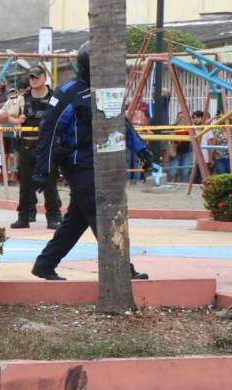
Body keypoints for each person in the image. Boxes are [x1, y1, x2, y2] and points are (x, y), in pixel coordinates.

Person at [31, 42, 152, 281]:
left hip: (99, 161)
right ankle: (122, 269)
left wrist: (141, 150)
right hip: (77, 163)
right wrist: (42, 171)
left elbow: (120, 122)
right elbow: (48, 130)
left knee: (77, 219)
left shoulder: (105, 90)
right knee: (101, 212)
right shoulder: (67, 92)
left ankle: (45, 264)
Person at [3, 65, 61, 228]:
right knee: (25, 183)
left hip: (48, 146)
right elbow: (2, 117)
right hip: (27, 145)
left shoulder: (54, 97)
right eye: (31, 77)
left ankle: (54, 217)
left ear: (44, 78)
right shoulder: (21, 98)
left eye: (37, 77)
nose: (34, 80)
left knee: (50, 182)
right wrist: (16, 120)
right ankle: (24, 216)